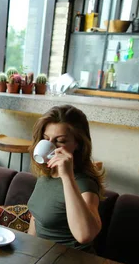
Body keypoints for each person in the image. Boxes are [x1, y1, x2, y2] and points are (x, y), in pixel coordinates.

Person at [26, 105, 105, 253]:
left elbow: (85, 236)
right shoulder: (47, 174)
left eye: (60, 141)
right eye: (45, 139)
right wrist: (28, 253)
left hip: (71, 263)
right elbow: (36, 219)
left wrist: (67, 176)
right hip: (42, 256)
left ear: (78, 144)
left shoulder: (84, 184)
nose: (50, 146)